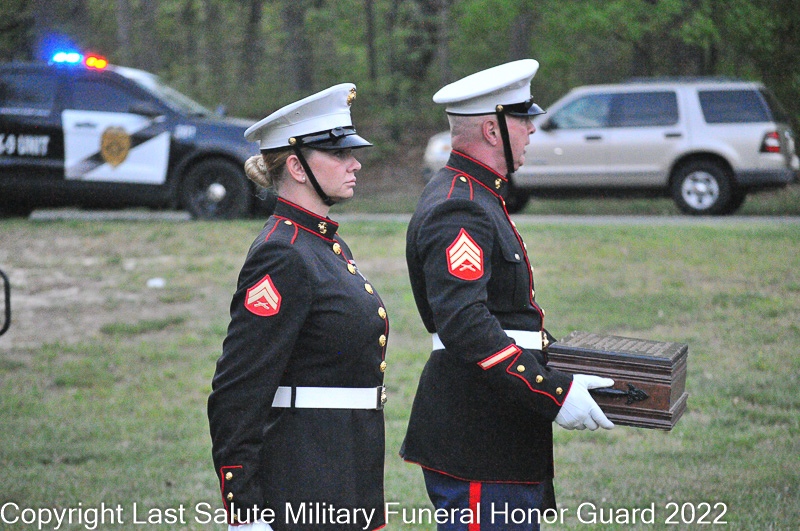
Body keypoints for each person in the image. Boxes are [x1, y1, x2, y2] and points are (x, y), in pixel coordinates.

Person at [400, 60, 614, 530]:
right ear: (492, 130)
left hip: (496, 425)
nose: (533, 129)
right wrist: (551, 392)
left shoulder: (477, 196)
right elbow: (464, 322)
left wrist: (563, 366)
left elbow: (511, 317)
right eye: (523, 119)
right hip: (479, 431)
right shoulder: (460, 204)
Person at [208, 84, 389, 531]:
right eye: (339, 154)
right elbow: (238, 389)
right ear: (296, 166)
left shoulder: (321, 242)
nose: (355, 163)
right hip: (306, 477)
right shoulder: (283, 253)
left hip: (346, 466)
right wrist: (244, 511)